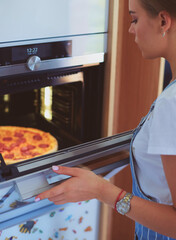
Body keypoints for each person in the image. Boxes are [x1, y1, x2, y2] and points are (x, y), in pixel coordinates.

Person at [35, 0, 176, 239]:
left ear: (163, 21)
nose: (131, 29)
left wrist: (102, 190)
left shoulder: (170, 105)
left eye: (134, 19)